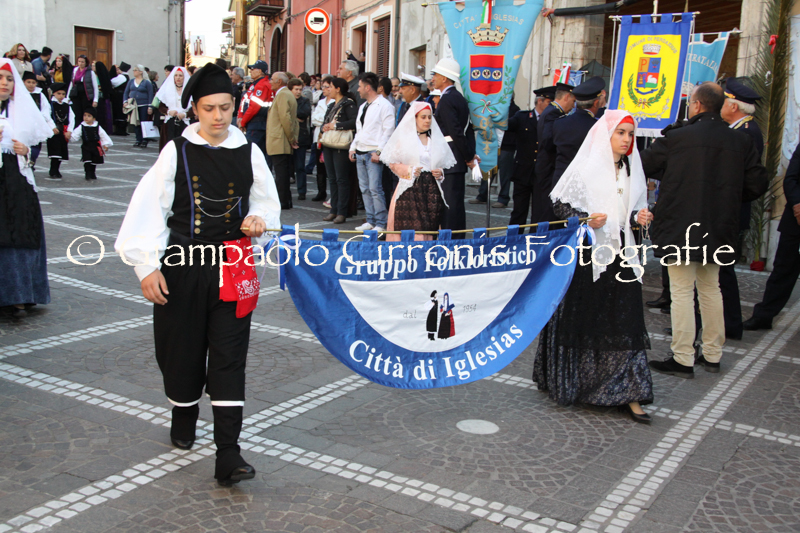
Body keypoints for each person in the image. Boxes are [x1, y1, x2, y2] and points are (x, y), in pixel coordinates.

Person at [114, 62, 281, 487]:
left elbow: (266, 201)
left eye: (225, 107)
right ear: (195, 109)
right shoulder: (177, 151)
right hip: (182, 266)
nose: (218, 117)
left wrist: (259, 219)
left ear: (234, 106)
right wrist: (146, 266)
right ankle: (184, 409)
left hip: (234, 265)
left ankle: (228, 452)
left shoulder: (250, 151)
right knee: (181, 352)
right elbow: (150, 208)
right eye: (209, 108)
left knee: (230, 357)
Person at [641, 83, 769, 378]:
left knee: (682, 290)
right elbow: (757, 183)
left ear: (697, 105)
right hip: (719, 223)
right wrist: (727, 197)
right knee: (711, 288)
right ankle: (712, 353)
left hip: (680, 223)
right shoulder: (739, 140)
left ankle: (683, 357)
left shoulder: (678, 137)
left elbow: (644, 164)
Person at [535, 110, 655, 423]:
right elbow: (560, 204)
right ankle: (582, 383)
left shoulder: (631, 169)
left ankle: (630, 391)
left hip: (623, 255)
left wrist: (638, 217)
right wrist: (585, 219)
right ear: (607, 135)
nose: (627, 140)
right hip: (590, 255)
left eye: (631, 134)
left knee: (624, 320)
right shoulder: (587, 168)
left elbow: (630, 212)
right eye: (621, 133)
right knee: (587, 317)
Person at [0, 58, 53, 318]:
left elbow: (33, 147)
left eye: (10, 79)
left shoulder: (20, 110)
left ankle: (19, 294)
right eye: (1, 78)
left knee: (19, 232)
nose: (5, 83)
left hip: (16, 182)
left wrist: (26, 151)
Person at [719, 78, 764, 339]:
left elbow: (744, 179)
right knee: (721, 270)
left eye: (725, 101)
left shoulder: (744, 133)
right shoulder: (742, 129)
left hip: (732, 211)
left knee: (723, 271)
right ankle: (725, 324)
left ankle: (730, 324)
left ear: (734, 106)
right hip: (733, 211)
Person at [743, 144, 800, 331]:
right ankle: (763, 316)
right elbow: (791, 179)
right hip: (796, 220)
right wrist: (797, 204)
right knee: (783, 271)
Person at [381, 101, 455, 241]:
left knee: (429, 225)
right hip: (410, 188)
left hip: (430, 190)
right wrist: (409, 169)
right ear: (414, 118)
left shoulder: (434, 141)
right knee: (412, 225)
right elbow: (393, 163)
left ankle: (426, 252)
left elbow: (439, 163)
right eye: (423, 117)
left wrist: (440, 172)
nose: (427, 120)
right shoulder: (405, 140)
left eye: (429, 117)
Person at [431, 58, 477, 238]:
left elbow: (456, 132)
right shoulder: (457, 97)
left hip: (450, 158)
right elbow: (466, 130)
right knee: (454, 203)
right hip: (455, 157)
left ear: (444, 78)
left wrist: (468, 156)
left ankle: (451, 241)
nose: (433, 78)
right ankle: (455, 239)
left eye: (436, 75)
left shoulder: (447, 99)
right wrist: (468, 153)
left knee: (450, 205)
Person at [349, 72, 395, 232]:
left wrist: (379, 151)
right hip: (361, 151)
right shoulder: (363, 106)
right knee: (365, 189)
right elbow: (359, 130)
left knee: (375, 189)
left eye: (360, 86)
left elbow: (388, 130)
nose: (358, 89)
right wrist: (353, 147)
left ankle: (381, 223)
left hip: (373, 152)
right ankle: (370, 220)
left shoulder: (385, 106)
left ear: (368, 87)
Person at [508, 86, 553, 230]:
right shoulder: (522, 117)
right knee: (519, 210)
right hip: (523, 171)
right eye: (549, 102)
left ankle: (535, 238)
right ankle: (514, 239)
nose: (551, 106)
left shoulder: (553, 120)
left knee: (539, 212)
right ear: (540, 101)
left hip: (542, 174)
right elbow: (507, 125)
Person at [552, 77, 606, 186]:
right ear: (596, 103)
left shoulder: (559, 122)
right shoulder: (597, 126)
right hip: (585, 181)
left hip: (561, 180)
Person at [533, 82, 574, 222]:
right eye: (573, 101)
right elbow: (549, 141)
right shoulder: (554, 113)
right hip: (549, 167)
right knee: (548, 210)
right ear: (567, 97)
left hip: (546, 166)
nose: (573, 105)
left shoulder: (551, 111)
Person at [320, 77, 358, 223]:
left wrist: (336, 126)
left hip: (341, 145)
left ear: (338, 89)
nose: (328, 89)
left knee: (342, 179)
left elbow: (354, 122)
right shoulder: (331, 105)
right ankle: (333, 209)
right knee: (332, 178)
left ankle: (342, 211)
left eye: (330, 87)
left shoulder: (348, 104)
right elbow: (325, 121)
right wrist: (324, 127)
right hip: (329, 144)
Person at [471, 97, 519, 208]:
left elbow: (511, 125)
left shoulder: (515, 110)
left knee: (505, 174)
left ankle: (503, 198)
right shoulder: (495, 108)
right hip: (492, 144)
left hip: (506, 145)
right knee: (488, 170)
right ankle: (482, 195)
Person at [266, 72, 299, 209]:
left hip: (280, 140)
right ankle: (286, 200)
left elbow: (286, 119)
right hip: (281, 139)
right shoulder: (284, 94)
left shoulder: (283, 95)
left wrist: (291, 138)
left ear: (279, 81)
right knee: (283, 172)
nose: (270, 82)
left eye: (272, 79)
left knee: (281, 174)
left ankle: (282, 201)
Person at [22, 71, 57, 171]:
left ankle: (32, 163)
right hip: (23, 125)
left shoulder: (40, 95)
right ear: (24, 82)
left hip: (36, 125)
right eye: (28, 82)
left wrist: (51, 126)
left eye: (33, 82)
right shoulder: (20, 94)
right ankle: (24, 164)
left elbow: (46, 111)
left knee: (36, 146)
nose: (31, 85)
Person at [238, 60, 272, 158]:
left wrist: (243, 122)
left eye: (253, 69)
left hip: (257, 123)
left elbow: (254, 107)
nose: (251, 71)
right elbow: (245, 101)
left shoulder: (261, 85)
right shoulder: (256, 84)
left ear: (260, 71)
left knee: (252, 153)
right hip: (256, 123)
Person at [154, 66, 192, 151]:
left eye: (180, 75)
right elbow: (161, 107)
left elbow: (195, 108)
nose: (178, 78)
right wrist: (168, 112)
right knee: (169, 146)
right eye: (176, 75)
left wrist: (185, 114)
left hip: (185, 122)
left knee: (183, 147)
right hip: (170, 122)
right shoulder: (167, 89)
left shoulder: (190, 91)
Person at [70, 106, 112, 180]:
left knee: (94, 161)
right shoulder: (82, 126)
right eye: (85, 115)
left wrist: (105, 144)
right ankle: (88, 173)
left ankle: (92, 173)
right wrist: (70, 136)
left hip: (95, 146)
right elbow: (76, 134)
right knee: (87, 160)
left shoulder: (97, 127)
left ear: (94, 118)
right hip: (86, 146)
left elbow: (103, 135)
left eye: (89, 116)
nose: (86, 117)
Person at [309, 76, 334, 202]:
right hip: (318, 137)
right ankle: (321, 191)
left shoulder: (335, 102)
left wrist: (323, 120)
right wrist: (323, 120)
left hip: (330, 138)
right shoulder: (321, 102)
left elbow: (329, 120)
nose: (323, 89)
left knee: (329, 168)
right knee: (319, 167)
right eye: (323, 86)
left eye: (327, 86)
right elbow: (314, 119)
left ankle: (332, 194)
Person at [46, 82, 74, 179]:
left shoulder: (67, 105)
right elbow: (47, 116)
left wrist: (69, 130)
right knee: (55, 151)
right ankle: (53, 170)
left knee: (61, 151)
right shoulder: (51, 105)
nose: (61, 96)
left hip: (63, 131)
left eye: (63, 94)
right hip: (54, 131)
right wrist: (53, 127)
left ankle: (57, 169)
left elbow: (72, 118)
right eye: (59, 93)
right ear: (54, 93)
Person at [290, 77, 311, 201]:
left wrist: (292, 115)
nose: (298, 92)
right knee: (287, 166)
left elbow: (304, 114)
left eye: (300, 89)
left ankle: (302, 191)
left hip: (301, 137)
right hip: (288, 136)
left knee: (300, 166)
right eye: (296, 89)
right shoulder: (287, 100)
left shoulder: (305, 101)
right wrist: (294, 117)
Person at [122, 65, 154, 147]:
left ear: (141, 72)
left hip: (144, 105)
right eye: (134, 70)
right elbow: (126, 92)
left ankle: (145, 139)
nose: (134, 71)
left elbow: (151, 94)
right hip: (134, 105)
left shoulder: (146, 82)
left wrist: (150, 106)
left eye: (136, 70)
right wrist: (125, 101)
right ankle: (138, 139)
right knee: (136, 122)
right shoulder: (131, 81)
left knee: (144, 122)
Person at [68, 55, 100, 129]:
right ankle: (76, 129)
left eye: (82, 62)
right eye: (79, 61)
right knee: (76, 113)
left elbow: (95, 87)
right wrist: (68, 96)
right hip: (76, 94)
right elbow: (71, 83)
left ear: (86, 63)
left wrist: (95, 99)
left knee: (86, 112)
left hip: (86, 95)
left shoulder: (90, 72)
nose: (81, 63)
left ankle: (86, 129)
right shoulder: (75, 70)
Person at [93, 61, 115, 134]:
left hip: (101, 96)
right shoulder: (93, 75)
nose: (93, 68)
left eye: (94, 66)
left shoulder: (102, 75)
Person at [110, 63, 130, 135]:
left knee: (119, 112)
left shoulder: (122, 77)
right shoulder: (125, 76)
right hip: (120, 96)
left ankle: (120, 130)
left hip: (119, 96)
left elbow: (112, 82)